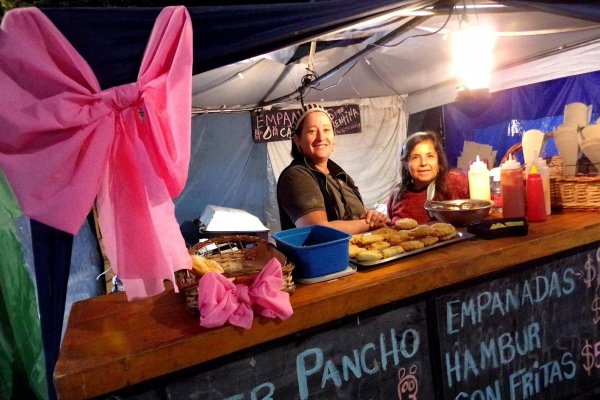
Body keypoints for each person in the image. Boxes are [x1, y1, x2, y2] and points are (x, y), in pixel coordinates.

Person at [277, 104, 390, 234]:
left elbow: (362, 215)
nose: (321, 137)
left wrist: (373, 217)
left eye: (326, 130)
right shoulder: (296, 176)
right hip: (326, 254)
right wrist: (369, 225)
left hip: (357, 252)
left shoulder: (341, 176)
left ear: (333, 138)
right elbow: (317, 230)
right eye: (312, 131)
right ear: (297, 140)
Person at [387, 131, 469, 224]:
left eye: (430, 156)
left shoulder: (455, 181)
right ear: (406, 164)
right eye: (415, 157)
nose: (423, 163)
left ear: (438, 160)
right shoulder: (396, 196)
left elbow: (483, 205)